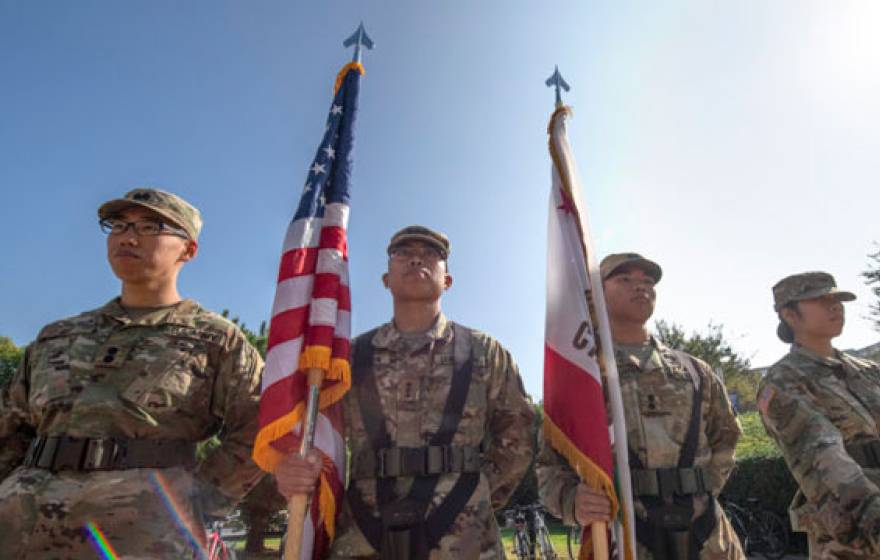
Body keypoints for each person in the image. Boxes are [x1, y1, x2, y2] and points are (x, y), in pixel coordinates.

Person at [0, 188, 265, 558]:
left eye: (151, 226)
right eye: (119, 225)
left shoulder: (216, 339)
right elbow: (11, 428)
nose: (128, 236)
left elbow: (260, 428)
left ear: (188, 250)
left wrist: (199, 501)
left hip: (143, 536)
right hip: (21, 529)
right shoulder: (57, 334)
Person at [275, 225, 535, 560]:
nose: (416, 259)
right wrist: (291, 467)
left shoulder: (483, 351)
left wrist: (475, 493)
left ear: (448, 280)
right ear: (386, 279)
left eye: (430, 254)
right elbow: (315, 434)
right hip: (363, 534)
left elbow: (519, 436)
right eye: (403, 253)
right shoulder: (346, 358)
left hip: (465, 538)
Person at [537, 252, 744, 559]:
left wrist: (702, 489)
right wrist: (571, 500)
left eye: (648, 281)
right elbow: (549, 463)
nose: (641, 287)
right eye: (625, 279)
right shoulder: (582, 376)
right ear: (596, 293)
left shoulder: (694, 370)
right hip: (623, 537)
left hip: (707, 537)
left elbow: (726, 435)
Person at [757, 271, 880, 558]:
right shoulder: (782, 382)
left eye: (838, 299)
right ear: (789, 314)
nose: (835, 306)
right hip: (852, 536)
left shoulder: (869, 371)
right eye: (821, 300)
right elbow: (822, 461)